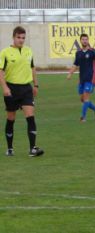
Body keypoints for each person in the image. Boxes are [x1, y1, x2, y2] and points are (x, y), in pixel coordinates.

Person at [0, 26, 43, 157]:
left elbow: (33, 68)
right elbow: (0, 72)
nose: (21, 40)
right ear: (13, 37)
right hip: (11, 88)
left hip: (26, 88)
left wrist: (35, 85)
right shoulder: (5, 52)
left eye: (23, 38)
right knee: (11, 118)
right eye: (18, 37)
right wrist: (5, 88)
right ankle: (10, 148)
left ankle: (32, 149)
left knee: (30, 117)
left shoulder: (28, 51)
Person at [66, 33, 95, 122]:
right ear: (80, 41)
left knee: (86, 98)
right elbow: (75, 65)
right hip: (82, 79)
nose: (85, 41)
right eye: (83, 39)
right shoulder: (78, 53)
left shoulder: (93, 51)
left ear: (88, 41)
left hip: (90, 78)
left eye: (86, 39)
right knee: (83, 99)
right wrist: (70, 74)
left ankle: (82, 117)